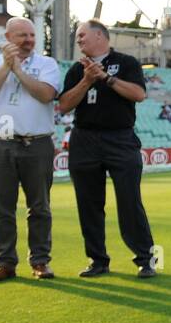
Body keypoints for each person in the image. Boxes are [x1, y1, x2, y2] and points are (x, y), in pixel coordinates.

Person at [57, 20, 159, 278]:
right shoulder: (76, 69)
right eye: (77, 37)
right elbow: (64, 105)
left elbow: (138, 94)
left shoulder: (126, 63)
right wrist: (86, 80)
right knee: (88, 204)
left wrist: (105, 78)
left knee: (129, 201)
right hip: (84, 139)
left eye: (82, 35)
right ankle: (97, 260)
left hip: (120, 139)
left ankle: (147, 258)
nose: (78, 40)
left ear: (100, 36)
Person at [0, 16, 62, 281]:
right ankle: (5, 263)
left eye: (32, 35)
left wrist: (20, 72)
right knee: (1, 208)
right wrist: (6, 66)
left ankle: (40, 261)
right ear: (8, 38)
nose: (29, 40)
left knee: (40, 206)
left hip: (37, 142)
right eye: (22, 35)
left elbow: (46, 95)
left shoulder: (47, 64)